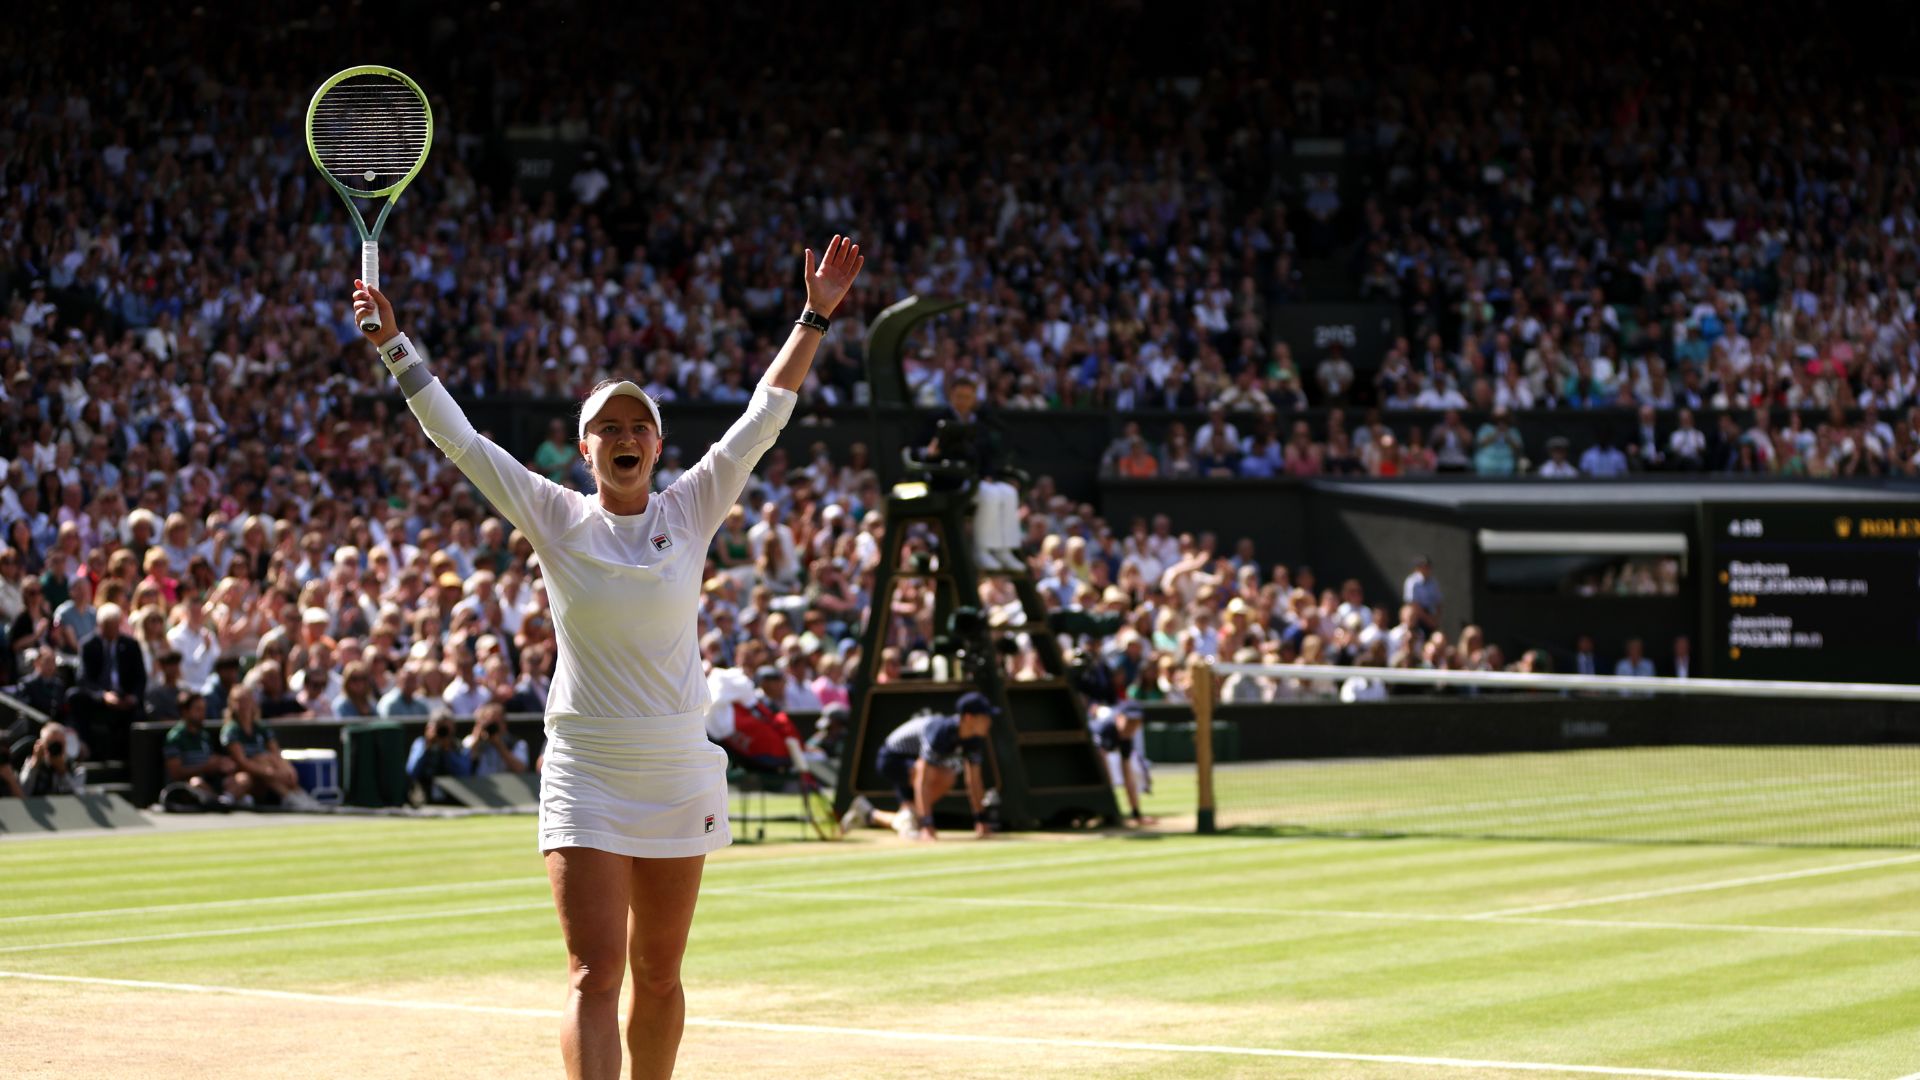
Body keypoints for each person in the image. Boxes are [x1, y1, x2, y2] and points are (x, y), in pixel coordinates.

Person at [351, 229, 862, 1080]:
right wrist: (394, 346)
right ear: (583, 450)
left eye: (638, 427)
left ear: (656, 447)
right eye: (606, 428)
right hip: (586, 765)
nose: (624, 436)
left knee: (659, 975)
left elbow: (764, 415)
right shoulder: (555, 515)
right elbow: (461, 441)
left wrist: (814, 315)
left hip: (676, 765)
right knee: (595, 974)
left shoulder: (692, 506)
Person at [842, 691, 996, 841]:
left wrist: (981, 819)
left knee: (946, 777)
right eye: (985, 717)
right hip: (892, 759)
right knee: (942, 775)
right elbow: (922, 780)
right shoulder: (941, 733)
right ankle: (911, 820)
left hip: (912, 761)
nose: (989, 721)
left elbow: (974, 781)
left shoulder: (974, 739)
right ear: (969, 718)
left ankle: (870, 814)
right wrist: (926, 825)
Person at [220, 685, 317, 809]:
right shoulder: (231, 730)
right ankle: (290, 797)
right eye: (240, 701)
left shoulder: (261, 728)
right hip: (241, 775)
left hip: (264, 773)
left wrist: (287, 770)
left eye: (247, 700)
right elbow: (242, 762)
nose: (244, 706)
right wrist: (271, 773)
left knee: (270, 760)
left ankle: (297, 795)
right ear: (232, 704)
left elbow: (276, 753)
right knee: (261, 762)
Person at [69, 602, 145, 758]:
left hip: (124, 697)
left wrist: (133, 697)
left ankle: (131, 759)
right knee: (74, 696)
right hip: (99, 697)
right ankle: (86, 750)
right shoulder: (88, 645)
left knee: (140, 713)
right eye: (107, 627)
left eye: (114, 626)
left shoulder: (131, 645)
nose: (111, 631)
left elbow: (140, 677)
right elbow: (83, 679)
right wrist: (103, 695)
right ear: (100, 625)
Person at [163, 689, 243, 807]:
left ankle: (223, 800)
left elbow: (210, 762)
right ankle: (221, 802)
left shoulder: (204, 736)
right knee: (196, 783)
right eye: (198, 709)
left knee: (242, 779)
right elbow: (175, 773)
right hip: (184, 789)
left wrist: (220, 763)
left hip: (210, 783)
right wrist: (205, 767)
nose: (203, 714)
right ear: (185, 711)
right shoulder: (174, 738)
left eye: (204, 709)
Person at [1091, 702, 1153, 826]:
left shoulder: (1126, 738)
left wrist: (1136, 814)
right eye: (1129, 721)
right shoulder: (1105, 728)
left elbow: (1128, 777)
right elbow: (1102, 769)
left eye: (1135, 722)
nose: (1132, 726)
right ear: (1119, 718)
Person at [407, 709, 473, 803]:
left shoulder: (459, 747)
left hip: (455, 797)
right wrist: (427, 746)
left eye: (446, 728)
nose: (443, 731)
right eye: (439, 727)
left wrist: (448, 751)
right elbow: (411, 771)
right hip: (424, 798)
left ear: (453, 728)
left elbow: (465, 774)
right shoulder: (421, 743)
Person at [464, 701, 530, 777]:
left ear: (504, 724)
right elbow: (462, 765)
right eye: (489, 723)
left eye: (496, 723)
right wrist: (476, 740)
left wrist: (499, 745)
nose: (492, 727)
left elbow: (521, 769)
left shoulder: (517, 744)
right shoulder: (470, 740)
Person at [19, 721, 80, 796]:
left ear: (65, 744)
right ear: (42, 745)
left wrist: (63, 772)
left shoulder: (76, 769)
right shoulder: (32, 764)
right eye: (50, 743)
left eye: (58, 744)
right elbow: (22, 794)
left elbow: (80, 796)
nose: (55, 748)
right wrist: (34, 765)